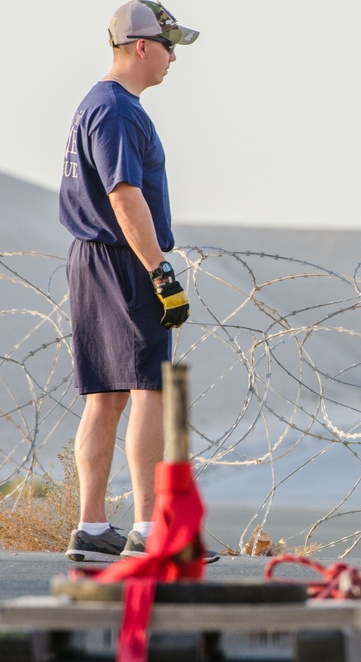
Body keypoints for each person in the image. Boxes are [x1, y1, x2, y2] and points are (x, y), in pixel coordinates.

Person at [60, 1, 215, 563]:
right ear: (142, 47)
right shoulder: (120, 110)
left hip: (90, 256)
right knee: (148, 384)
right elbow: (125, 196)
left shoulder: (93, 105)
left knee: (105, 395)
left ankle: (92, 525)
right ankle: (151, 530)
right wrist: (160, 272)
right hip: (124, 259)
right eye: (170, 46)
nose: (175, 57)